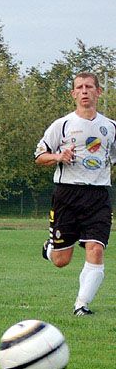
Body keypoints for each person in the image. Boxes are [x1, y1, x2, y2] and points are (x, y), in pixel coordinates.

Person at [35, 72, 116, 316]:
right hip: (67, 195)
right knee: (61, 261)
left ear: (98, 92)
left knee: (96, 248)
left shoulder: (110, 127)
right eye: (79, 87)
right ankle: (50, 249)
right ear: (73, 94)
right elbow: (39, 156)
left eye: (89, 87)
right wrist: (59, 156)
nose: (84, 91)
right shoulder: (62, 125)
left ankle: (81, 304)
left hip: (99, 196)